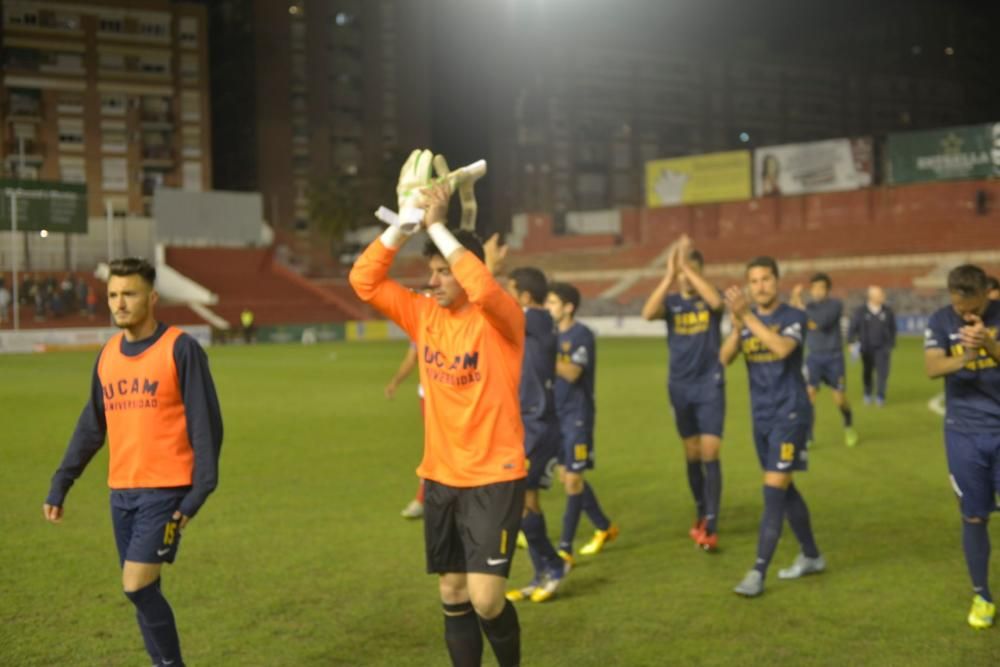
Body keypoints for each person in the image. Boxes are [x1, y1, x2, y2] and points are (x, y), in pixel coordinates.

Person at [349, 149, 525, 667]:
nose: (433, 282)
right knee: (452, 592)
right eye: (430, 272)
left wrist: (441, 227)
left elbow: (484, 286)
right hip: (443, 477)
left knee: (487, 598)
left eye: (443, 272)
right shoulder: (424, 316)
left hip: (494, 475)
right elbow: (363, 282)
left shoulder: (501, 320)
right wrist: (403, 228)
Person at [43, 257, 223, 667]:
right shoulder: (107, 356)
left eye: (129, 294)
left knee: (137, 587)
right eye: (113, 295)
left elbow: (206, 428)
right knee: (145, 591)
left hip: (165, 492)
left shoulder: (181, 348)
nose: (119, 303)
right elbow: (91, 426)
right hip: (120, 492)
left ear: (152, 297)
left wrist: (196, 496)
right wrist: (61, 482)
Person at [721, 256, 825, 597]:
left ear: (777, 281)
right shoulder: (746, 320)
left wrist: (747, 316)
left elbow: (781, 349)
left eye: (766, 279)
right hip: (761, 416)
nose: (760, 286)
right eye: (754, 281)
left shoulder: (793, 316)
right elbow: (724, 358)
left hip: (790, 413)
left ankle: (758, 571)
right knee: (784, 488)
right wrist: (738, 324)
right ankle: (811, 555)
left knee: (772, 491)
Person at [924, 264, 1000, 629]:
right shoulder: (940, 320)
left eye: (973, 308)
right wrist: (966, 358)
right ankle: (982, 595)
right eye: (959, 309)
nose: (966, 315)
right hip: (963, 432)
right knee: (973, 515)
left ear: (987, 294)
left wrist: (988, 344)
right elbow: (932, 367)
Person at [641, 235, 725, 551]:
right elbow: (647, 314)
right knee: (691, 454)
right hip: (680, 386)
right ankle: (702, 510)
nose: (685, 279)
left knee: (711, 452)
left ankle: (713, 524)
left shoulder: (710, 299)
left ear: (700, 273)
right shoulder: (673, 304)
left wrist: (687, 267)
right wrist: (669, 275)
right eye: (682, 274)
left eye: (692, 272)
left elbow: (717, 303)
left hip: (710, 385)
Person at [502, 267, 570, 605]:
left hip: (539, 427)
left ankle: (554, 566)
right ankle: (542, 570)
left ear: (525, 297)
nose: (507, 295)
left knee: (525, 502)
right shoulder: (530, 324)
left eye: (511, 290)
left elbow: (494, 305)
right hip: (525, 424)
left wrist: (486, 266)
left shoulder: (539, 318)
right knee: (524, 503)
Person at [545, 282, 617, 565]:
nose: (549, 307)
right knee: (567, 478)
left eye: (553, 303)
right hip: (556, 414)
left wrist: (543, 355)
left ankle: (565, 549)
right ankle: (603, 526)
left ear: (568, 307)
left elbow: (573, 372)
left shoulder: (581, 335)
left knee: (573, 480)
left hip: (577, 416)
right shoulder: (550, 335)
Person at [790, 274, 858, 448]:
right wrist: (795, 297)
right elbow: (791, 315)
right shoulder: (809, 306)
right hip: (814, 358)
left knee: (839, 399)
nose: (816, 291)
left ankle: (848, 424)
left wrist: (802, 307)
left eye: (820, 287)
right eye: (814, 287)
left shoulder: (835, 305)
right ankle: (808, 435)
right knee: (809, 396)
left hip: (834, 358)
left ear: (827, 290)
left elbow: (822, 322)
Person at [385, 342, 427, 519]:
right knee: (437, 448)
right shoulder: (422, 325)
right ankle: (422, 498)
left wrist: (395, 382)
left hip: (453, 396)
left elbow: (411, 359)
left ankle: (423, 499)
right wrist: (395, 382)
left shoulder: (423, 323)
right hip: (432, 397)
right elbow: (411, 358)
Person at [848, 286, 896, 406]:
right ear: (872, 297)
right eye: (880, 295)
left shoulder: (887, 311)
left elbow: (893, 329)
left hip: (882, 348)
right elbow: (853, 328)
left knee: (883, 373)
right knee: (867, 372)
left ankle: (880, 396)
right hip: (866, 348)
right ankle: (867, 394)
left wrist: (890, 343)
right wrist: (851, 342)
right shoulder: (861, 311)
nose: (883, 297)